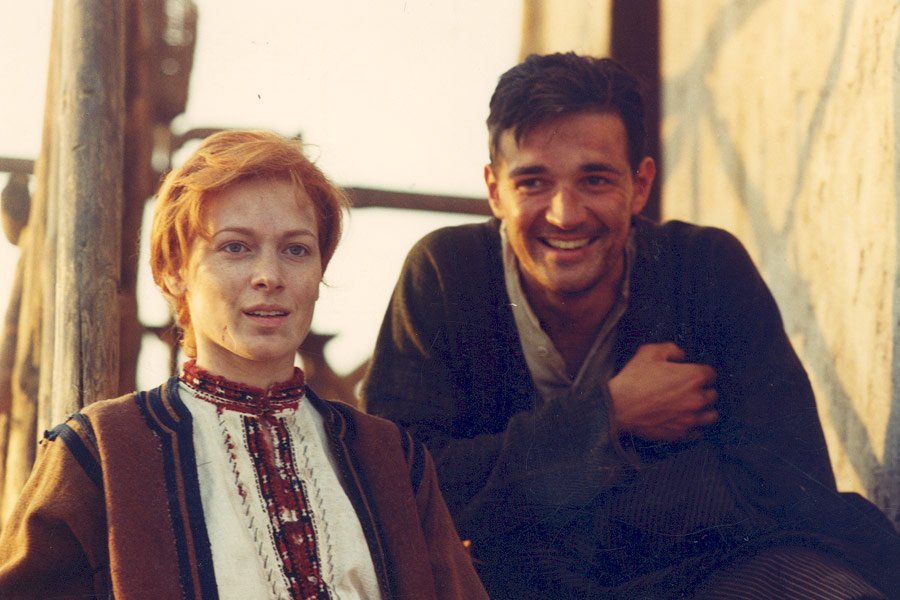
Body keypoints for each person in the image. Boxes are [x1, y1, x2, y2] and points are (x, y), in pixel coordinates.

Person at [362, 53, 900, 599]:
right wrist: (610, 415)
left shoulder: (704, 268)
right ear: (495, 191)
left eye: (595, 179)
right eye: (533, 182)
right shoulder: (446, 274)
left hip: (702, 579)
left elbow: (790, 485)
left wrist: (522, 502)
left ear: (640, 185)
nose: (565, 214)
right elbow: (399, 493)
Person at [0, 130, 488, 599]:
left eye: (296, 250)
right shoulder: (101, 452)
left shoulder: (391, 459)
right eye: (235, 247)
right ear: (174, 270)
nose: (269, 276)